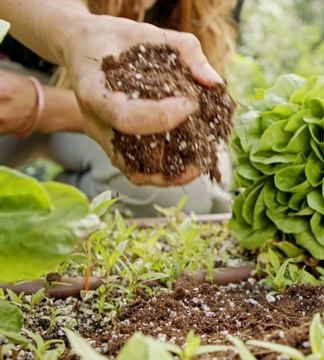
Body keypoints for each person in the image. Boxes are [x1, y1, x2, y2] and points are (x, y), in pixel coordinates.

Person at [0, 0, 241, 216]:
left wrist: (41, 105)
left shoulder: (213, 7)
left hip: (83, 111)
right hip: (13, 79)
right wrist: (78, 33)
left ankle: (44, 210)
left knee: (189, 186)